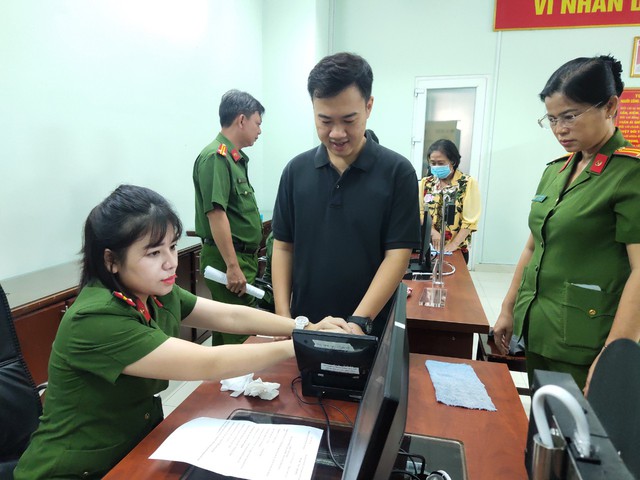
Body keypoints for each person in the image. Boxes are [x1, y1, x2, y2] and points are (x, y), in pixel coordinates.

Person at [13, 185, 350, 479]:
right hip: (77, 470)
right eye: (153, 253)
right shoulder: (96, 317)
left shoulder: (154, 291)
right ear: (111, 260)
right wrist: (300, 345)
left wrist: (303, 326)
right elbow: (207, 363)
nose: (170, 262)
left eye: (172, 247)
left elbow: (230, 316)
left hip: (134, 447)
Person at [492, 55, 640, 394]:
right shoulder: (556, 170)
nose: (560, 129)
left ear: (610, 106)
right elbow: (533, 246)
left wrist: (615, 356)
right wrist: (508, 308)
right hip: (541, 329)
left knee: (582, 426)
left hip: (589, 342)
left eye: (570, 116)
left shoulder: (631, 174)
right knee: (544, 419)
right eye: (552, 119)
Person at [271, 52, 421, 337]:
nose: (337, 133)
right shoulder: (295, 171)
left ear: (368, 106)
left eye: (349, 120)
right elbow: (283, 247)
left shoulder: (397, 173)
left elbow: (397, 256)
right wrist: (283, 318)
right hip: (305, 326)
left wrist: (358, 322)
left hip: (369, 328)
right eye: (325, 121)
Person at [193, 89, 264, 346]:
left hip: (239, 258)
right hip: (229, 260)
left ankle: (221, 373)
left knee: (227, 334)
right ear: (241, 120)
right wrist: (232, 266)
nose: (259, 130)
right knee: (243, 335)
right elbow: (216, 214)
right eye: (257, 123)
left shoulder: (234, 159)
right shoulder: (217, 157)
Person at [419, 139, 481, 264]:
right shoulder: (426, 183)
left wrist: (454, 244)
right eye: (433, 163)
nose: (436, 166)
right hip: (429, 248)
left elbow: (470, 221)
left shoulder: (467, 183)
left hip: (455, 250)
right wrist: (433, 232)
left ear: (453, 161)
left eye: (441, 163)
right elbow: (419, 212)